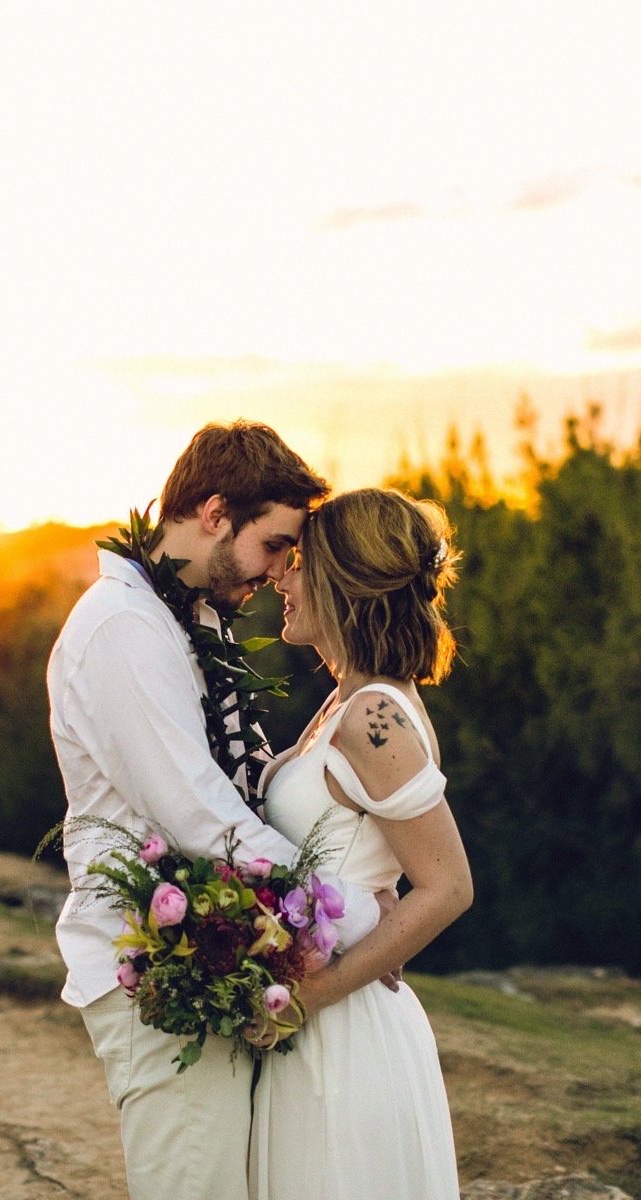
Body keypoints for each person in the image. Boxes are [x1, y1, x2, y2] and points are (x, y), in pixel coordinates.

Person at [47, 421, 387, 1200]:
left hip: (207, 962)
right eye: (274, 544)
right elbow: (197, 815)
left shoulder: (179, 622)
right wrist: (355, 918)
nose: (278, 572)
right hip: (153, 978)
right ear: (213, 513)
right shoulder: (125, 629)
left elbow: (241, 779)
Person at [249, 486, 473, 1200]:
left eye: (298, 562)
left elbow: (447, 886)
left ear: (342, 579)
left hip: (343, 1031)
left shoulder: (375, 712)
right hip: (319, 1019)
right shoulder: (348, 699)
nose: (279, 577)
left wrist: (313, 996)